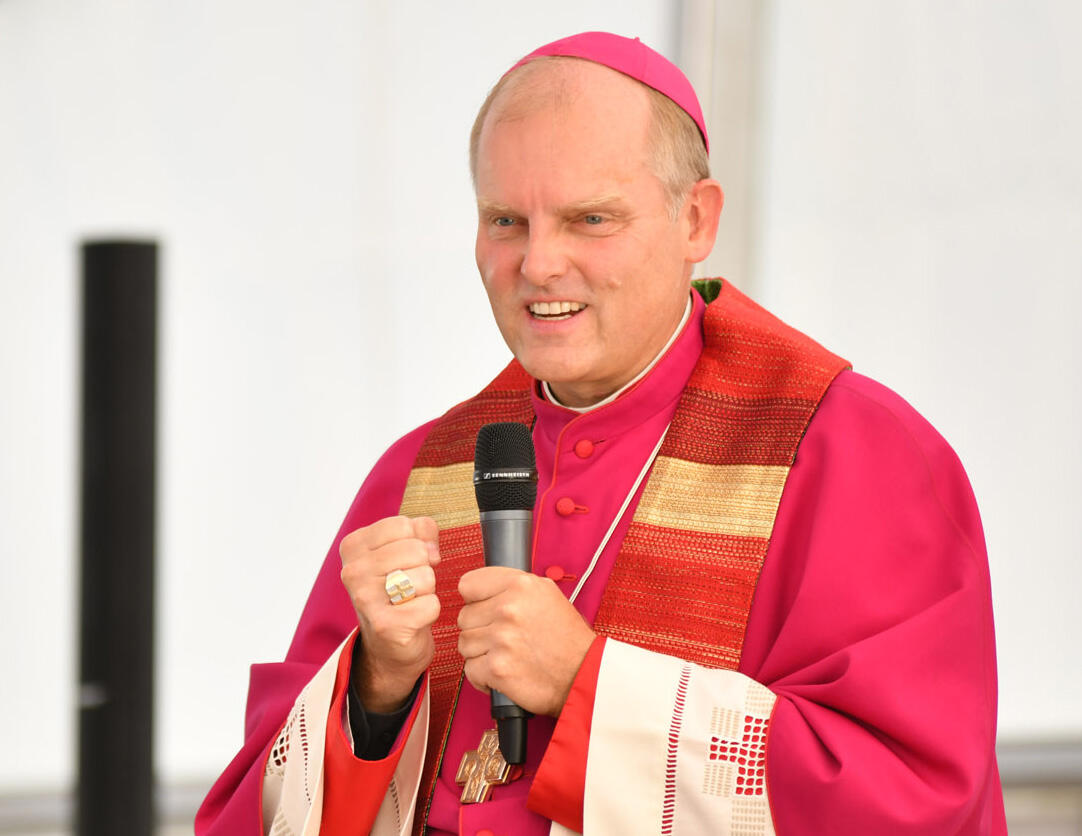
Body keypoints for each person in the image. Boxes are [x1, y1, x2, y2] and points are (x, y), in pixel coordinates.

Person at [196, 31, 1005, 835]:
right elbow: (251, 813)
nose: (539, 263)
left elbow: (906, 801)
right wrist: (375, 689)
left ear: (694, 219)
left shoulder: (852, 455)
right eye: (506, 219)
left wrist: (588, 682)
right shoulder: (414, 475)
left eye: (589, 218)